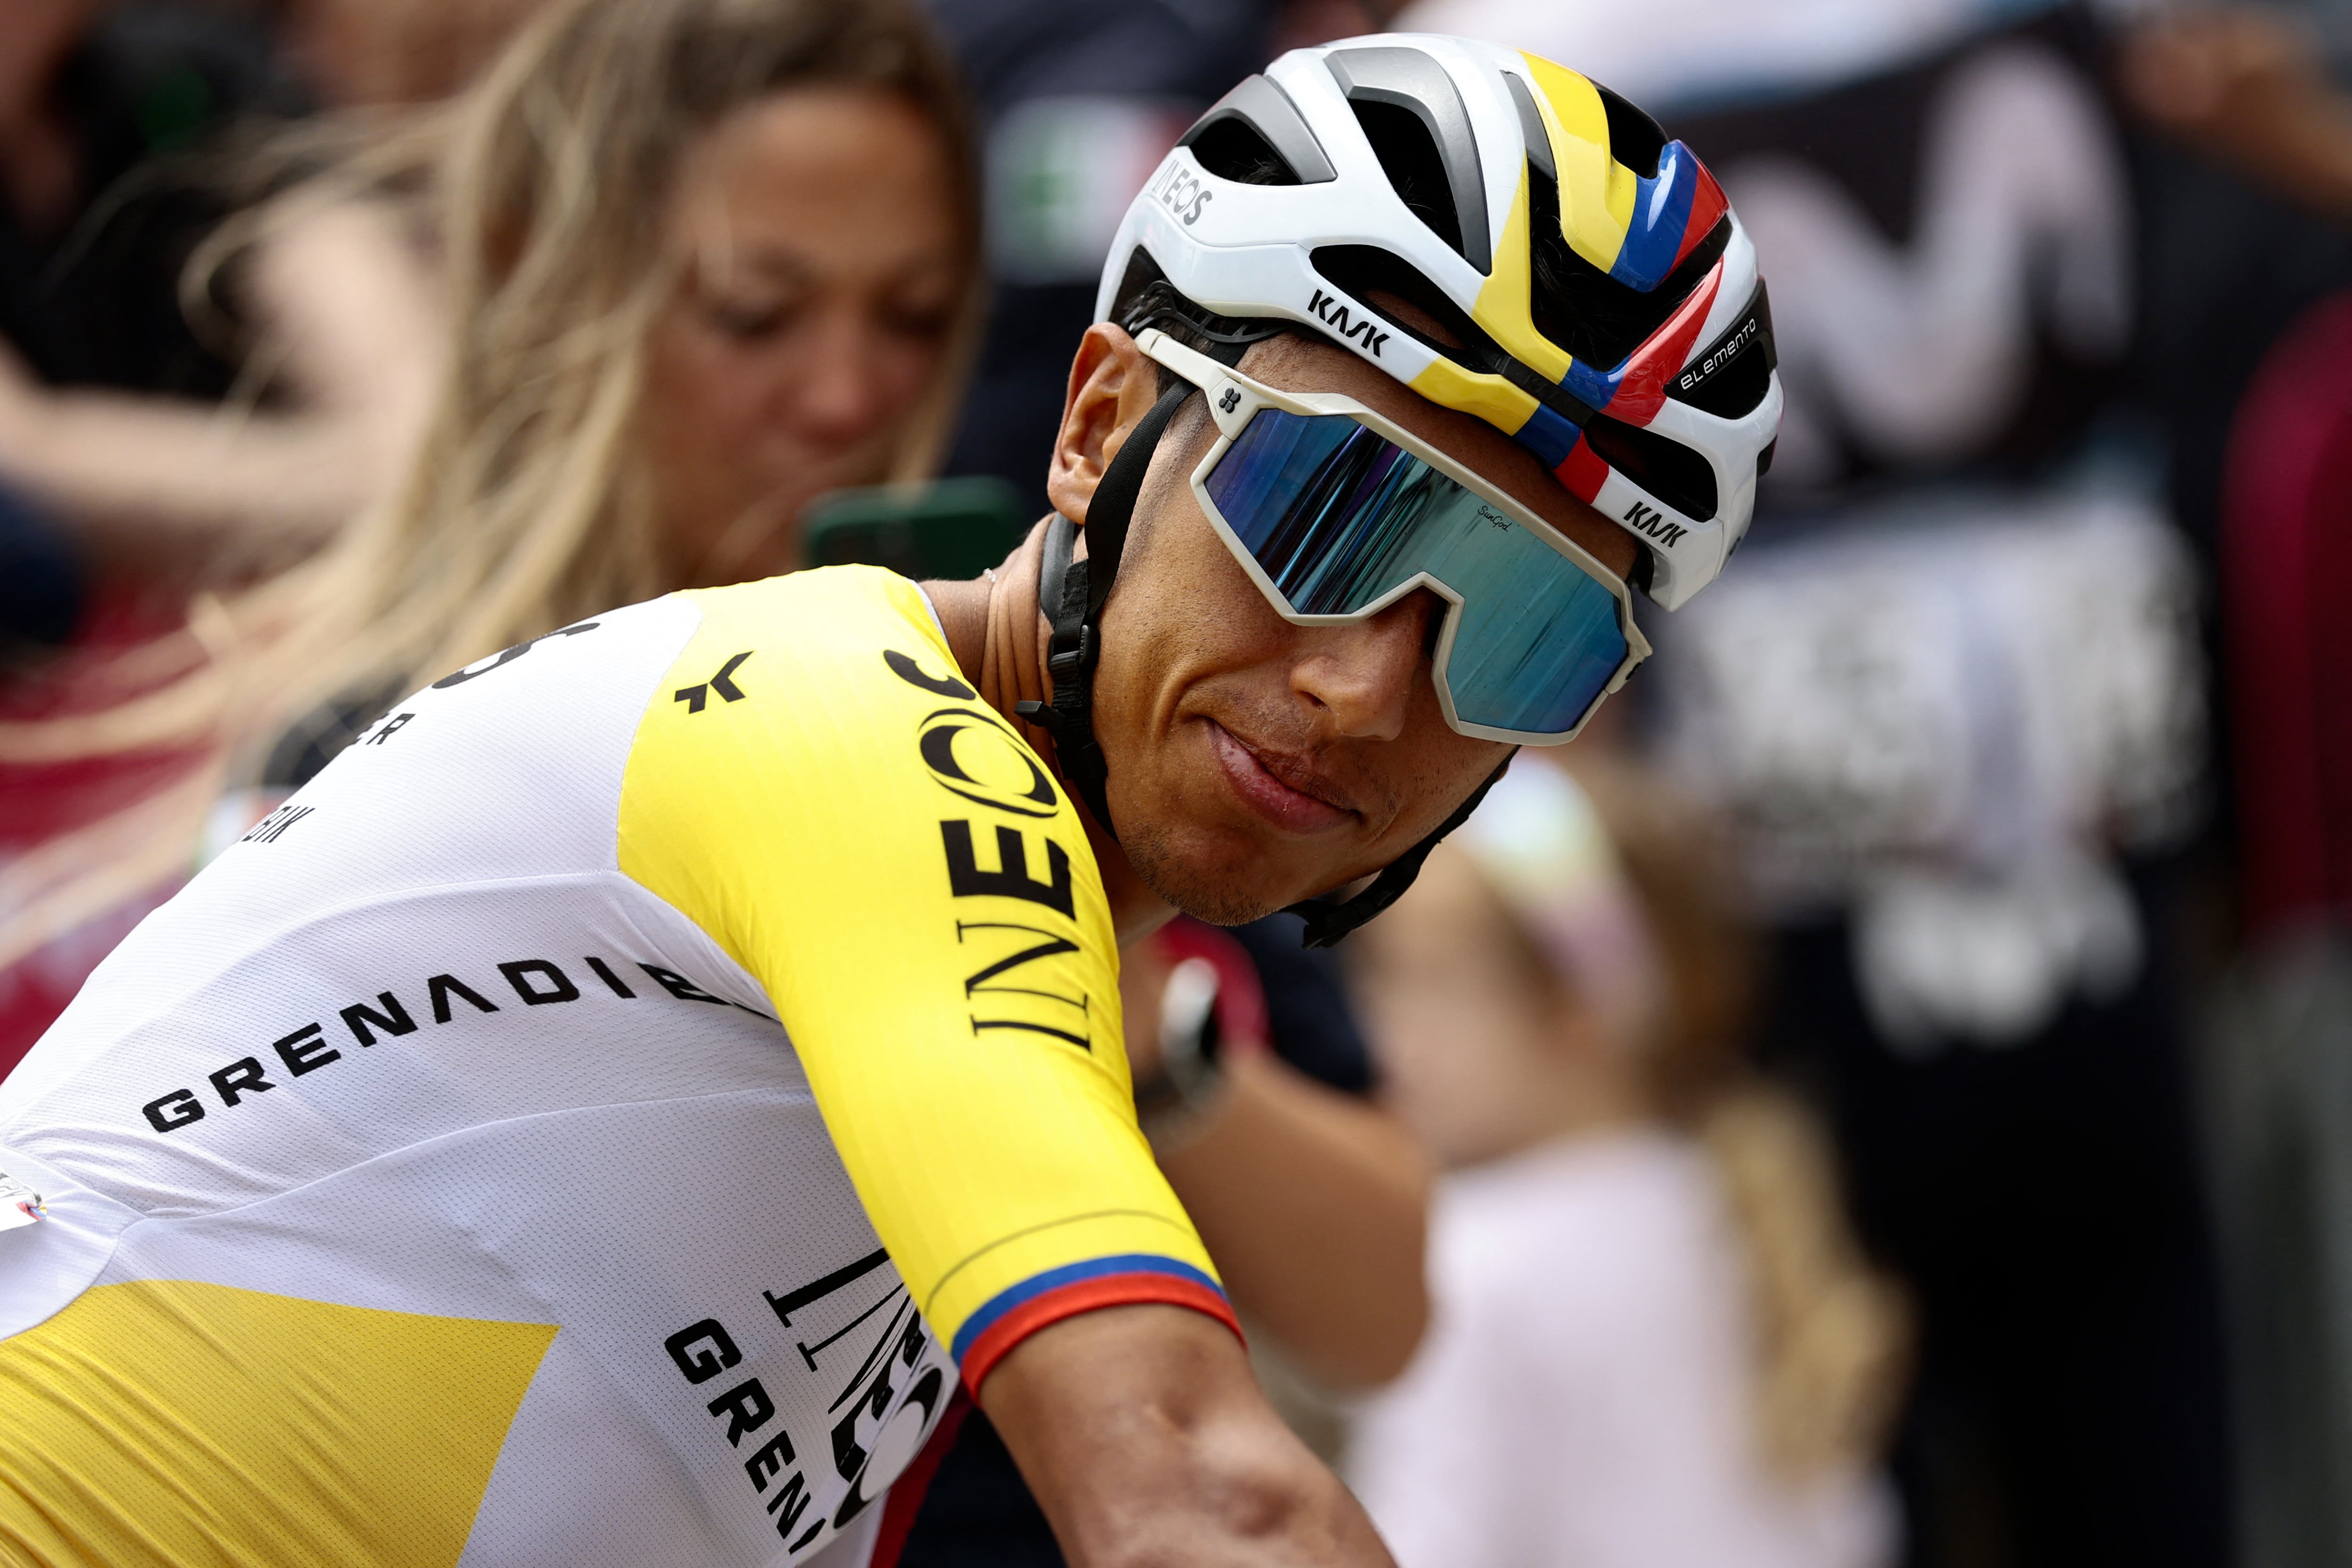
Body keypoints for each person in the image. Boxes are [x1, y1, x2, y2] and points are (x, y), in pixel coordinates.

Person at [0, 32, 1778, 1566]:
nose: (1365, 685)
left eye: (1531, 634)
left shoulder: (1039, 955)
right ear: (1095, 428)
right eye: (1330, 514)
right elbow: (1200, 1501)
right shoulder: (859, 728)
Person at [1346, 749, 1905, 1568]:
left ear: (1581, 1009)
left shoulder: (1465, 1261)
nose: (1386, 1038)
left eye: (1431, 985)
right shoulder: (1738, 1199)